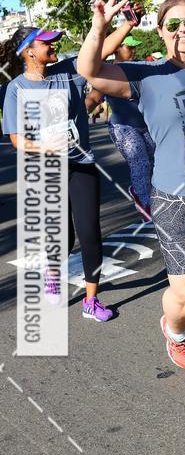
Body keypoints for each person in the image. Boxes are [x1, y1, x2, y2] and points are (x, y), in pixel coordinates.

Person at [77, 0, 185, 369]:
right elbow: (89, 70)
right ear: (160, 30)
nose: (183, 30)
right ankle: (175, 330)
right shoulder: (146, 75)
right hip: (175, 197)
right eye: (173, 24)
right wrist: (102, 26)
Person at [1, 26, 114, 321]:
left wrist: (119, 24)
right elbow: (16, 139)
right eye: (46, 42)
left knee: (90, 233)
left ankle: (91, 301)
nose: (54, 45)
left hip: (82, 164)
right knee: (63, 235)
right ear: (29, 51)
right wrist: (44, 146)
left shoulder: (69, 71)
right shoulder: (16, 89)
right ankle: (53, 271)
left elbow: (99, 50)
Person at [104, 20, 157, 219]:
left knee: (156, 160)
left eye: (135, 47)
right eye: (129, 46)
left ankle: (145, 193)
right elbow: (93, 98)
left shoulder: (139, 67)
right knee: (140, 162)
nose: (133, 50)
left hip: (145, 124)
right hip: (123, 126)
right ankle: (145, 204)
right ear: (117, 48)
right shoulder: (107, 71)